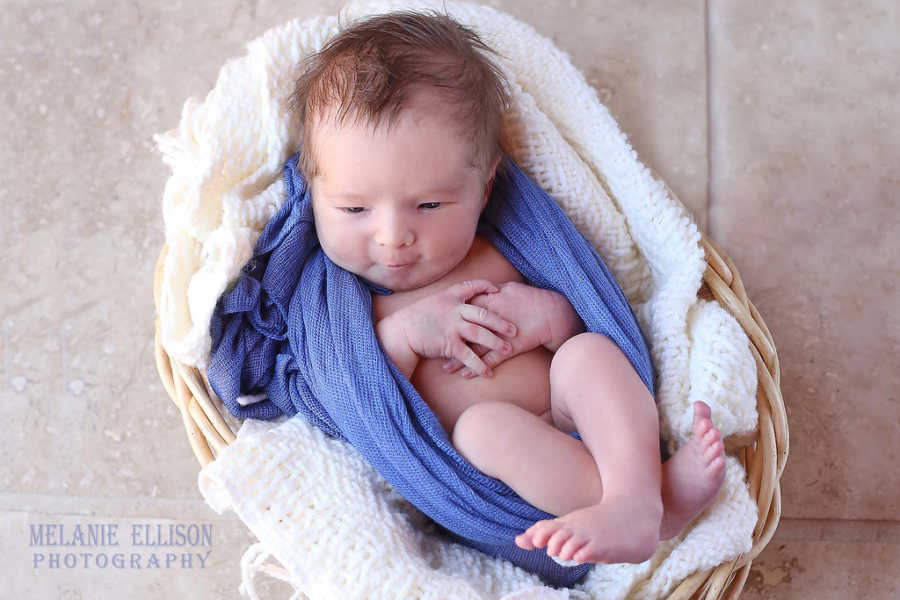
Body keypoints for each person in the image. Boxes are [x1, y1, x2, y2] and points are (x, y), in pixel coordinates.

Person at [288, 10, 726, 566]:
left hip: (574, 418)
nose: (394, 237)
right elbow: (351, 409)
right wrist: (402, 336)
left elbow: (580, 322)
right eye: (353, 208)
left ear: (484, 183)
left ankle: (635, 495)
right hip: (507, 473)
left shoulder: (500, 246)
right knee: (481, 427)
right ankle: (655, 509)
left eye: (429, 205)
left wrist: (550, 317)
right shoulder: (342, 309)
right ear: (312, 189)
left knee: (588, 354)